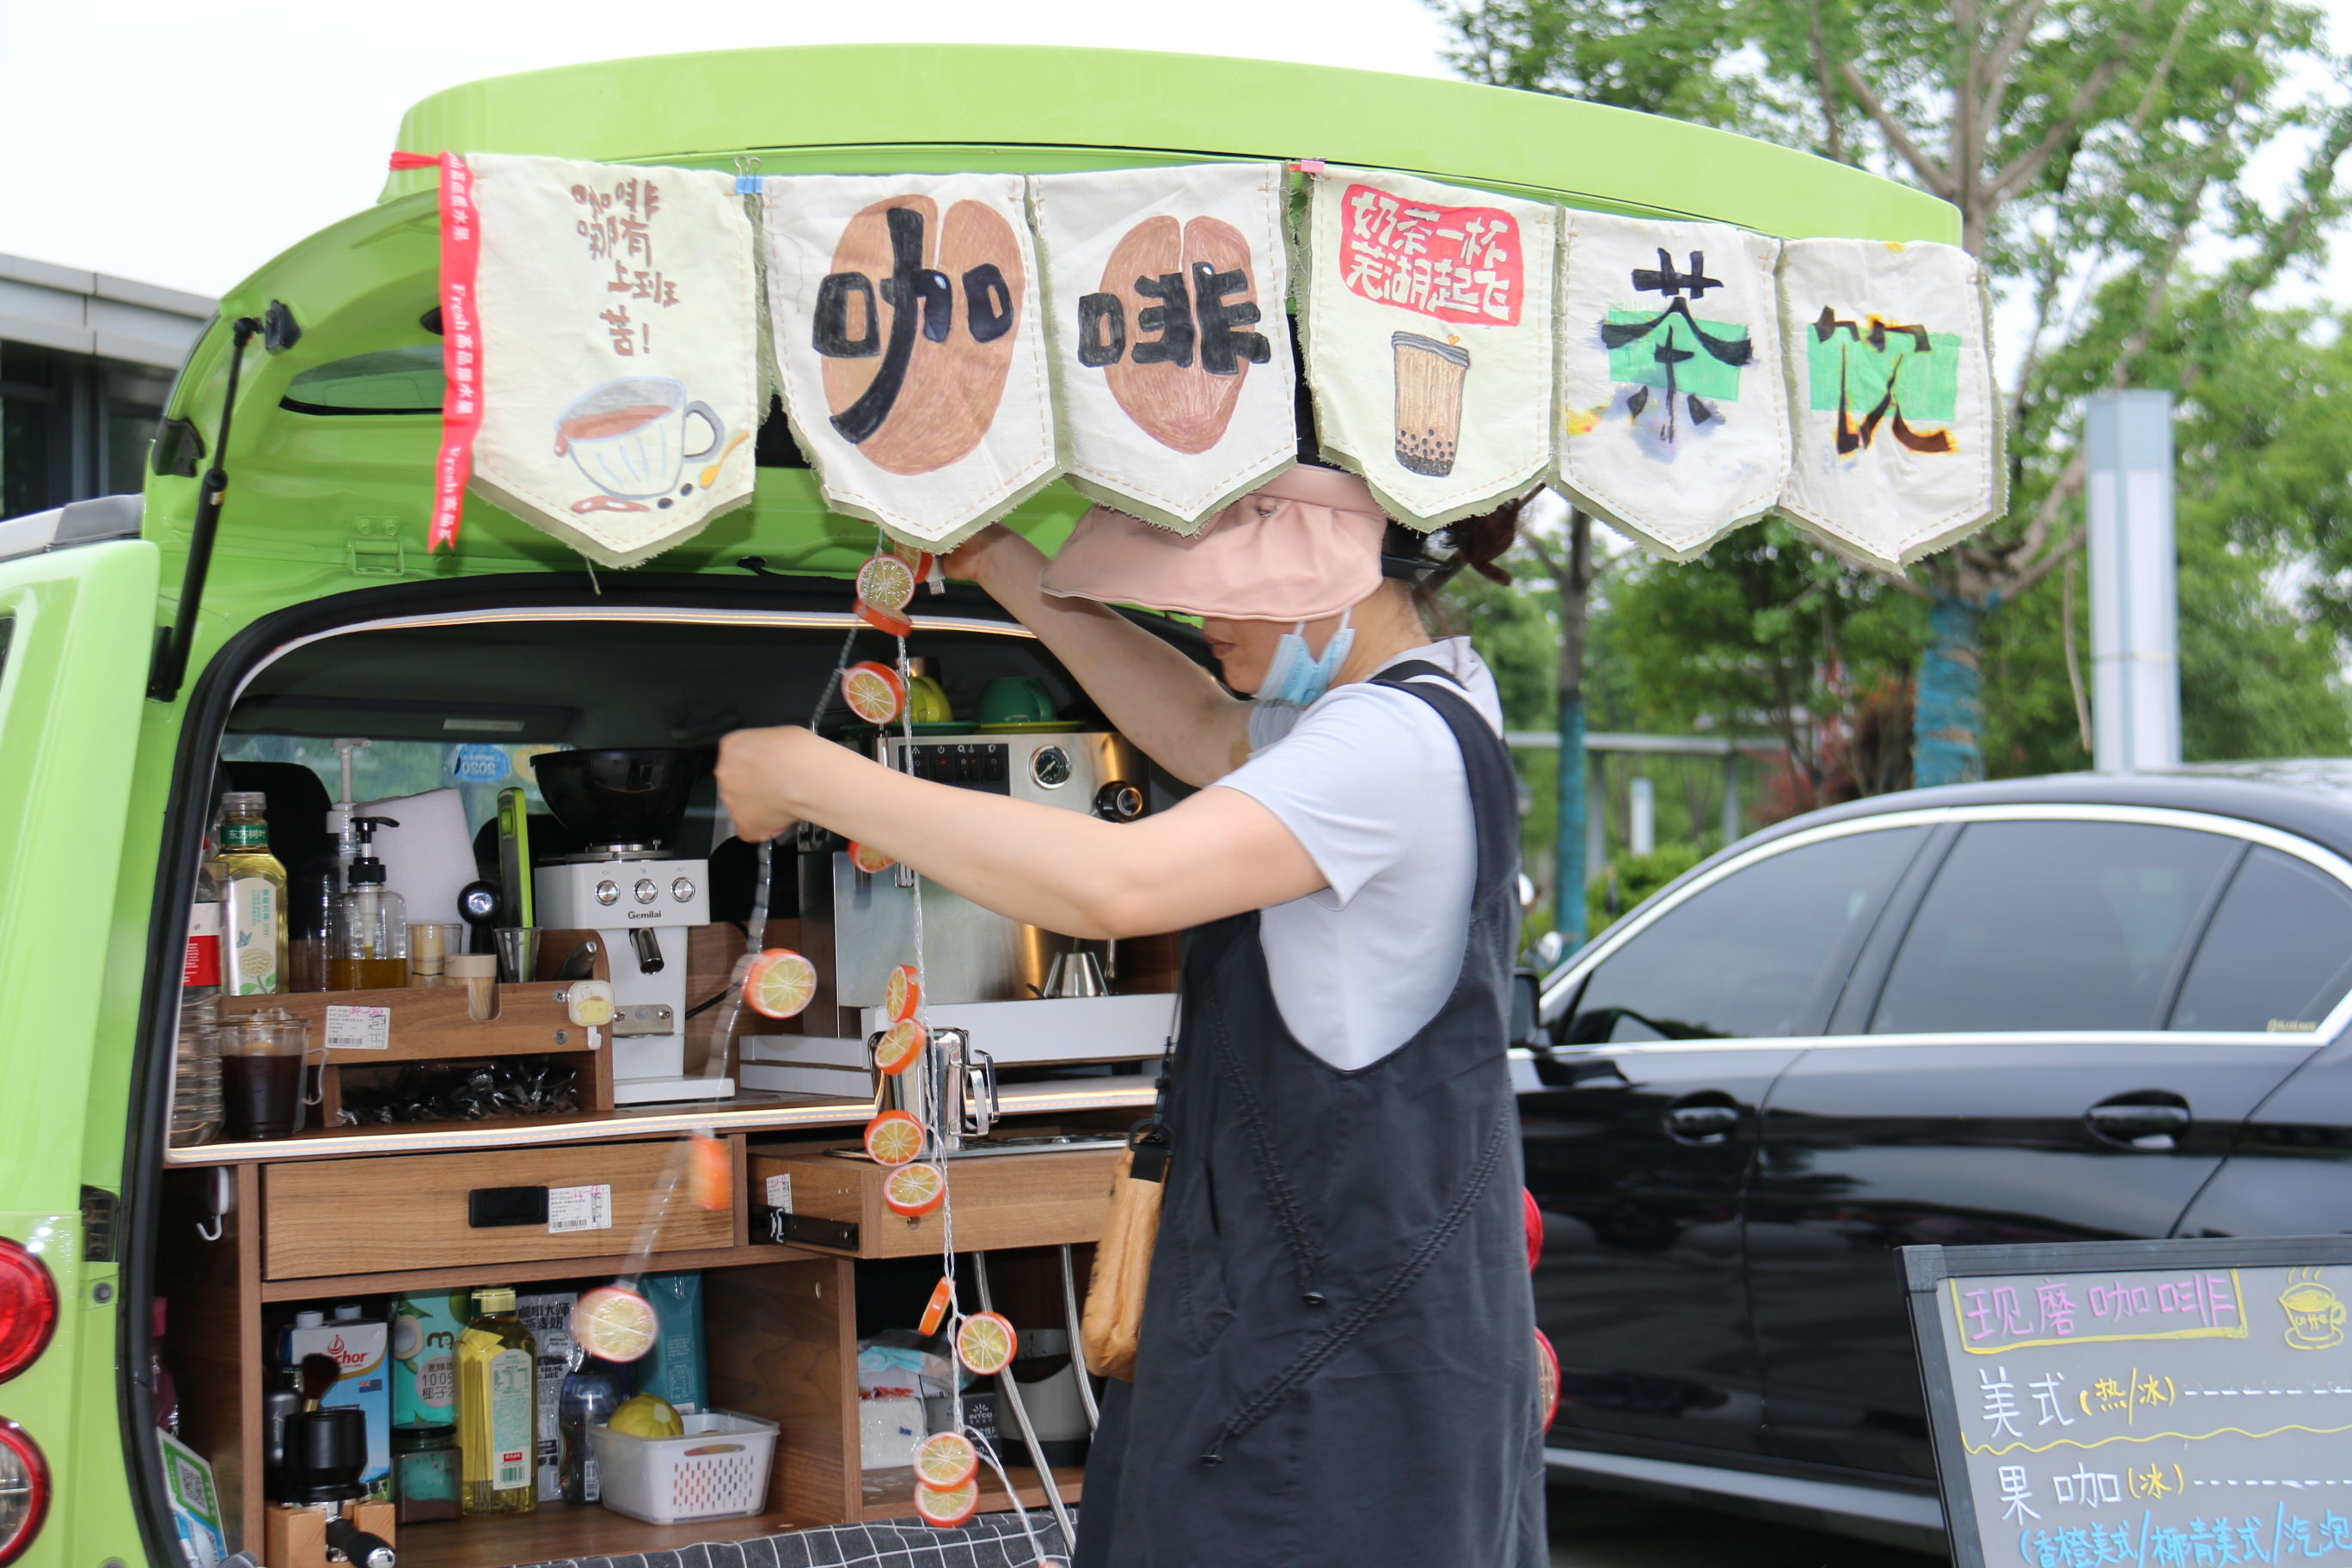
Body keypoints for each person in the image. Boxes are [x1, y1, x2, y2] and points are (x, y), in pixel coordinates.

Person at [715, 464, 1545, 1567]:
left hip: (1332, 1350)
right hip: (1353, 1312)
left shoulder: (1382, 749)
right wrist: (1000, 562)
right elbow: (1204, 727)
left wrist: (818, 777)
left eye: (1229, 584)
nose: (1202, 619)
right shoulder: (1427, 700)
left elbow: (1122, 886)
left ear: (1341, 575)